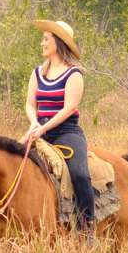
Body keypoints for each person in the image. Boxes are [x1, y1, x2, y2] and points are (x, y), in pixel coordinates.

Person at [22, 19, 95, 236]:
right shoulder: (37, 73)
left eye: (46, 39)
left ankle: (87, 228)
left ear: (58, 43)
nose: (42, 43)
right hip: (39, 129)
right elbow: (29, 104)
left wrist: (44, 129)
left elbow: (69, 108)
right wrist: (34, 123)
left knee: (80, 174)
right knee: (10, 162)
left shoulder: (74, 74)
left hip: (66, 132)